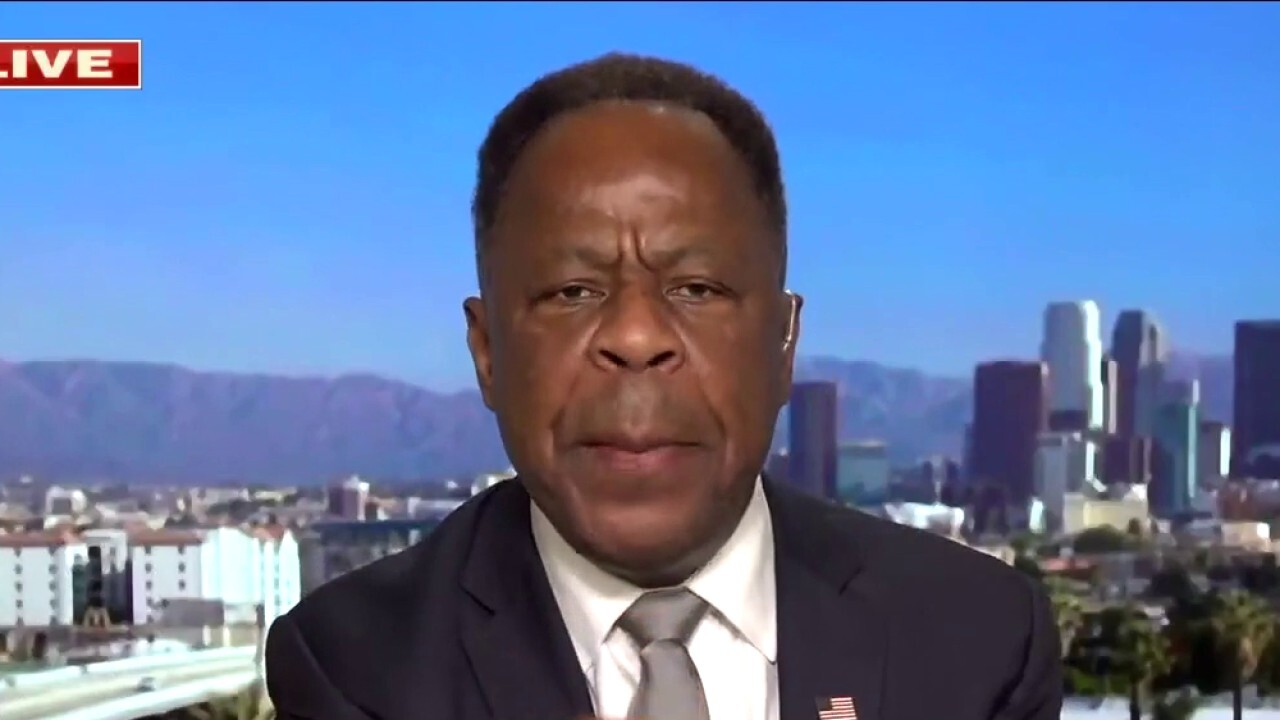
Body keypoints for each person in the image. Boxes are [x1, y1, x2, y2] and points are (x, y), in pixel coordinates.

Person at [265, 53, 1062, 720]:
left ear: (784, 342)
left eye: (697, 289)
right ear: (487, 352)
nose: (637, 337)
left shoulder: (978, 642)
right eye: (572, 292)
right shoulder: (356, 668)